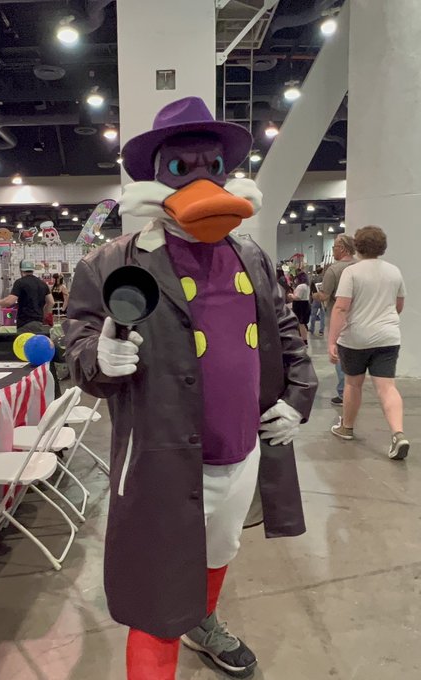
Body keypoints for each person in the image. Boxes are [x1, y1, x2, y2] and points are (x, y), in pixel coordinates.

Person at [64, 96, 318, 680]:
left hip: (243, 450)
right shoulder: (110, 263)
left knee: (220, 552)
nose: (202, 180)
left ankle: (202, 622)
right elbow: (77, 349)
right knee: (156, 597)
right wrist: (99, 357)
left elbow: (285, 330)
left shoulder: (251, 255)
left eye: (214, 166)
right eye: (183, 167)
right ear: (157, 177)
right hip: (162, 459)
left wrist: (296, 399)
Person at [328, 226, 409, 460]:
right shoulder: (394, 271)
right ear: (382, 246)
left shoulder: (352, 273)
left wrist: (332, 341)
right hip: (388, 338)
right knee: (387, 387)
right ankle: (398, 434)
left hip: (356, 339)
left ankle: (347, 428)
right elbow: (399, 305)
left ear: (357, 246)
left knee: (353, 384)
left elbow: (341, 308)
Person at [314, 234, 356, 405]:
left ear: (342, 248)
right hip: (358, 318)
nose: (333, 250)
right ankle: (353, 390)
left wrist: (315, 295)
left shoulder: (333, 270)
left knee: (339, 354)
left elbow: (324, 295)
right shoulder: (359, 267)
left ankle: (343, 393)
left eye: (334, 247)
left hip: (339, 318)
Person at [0, 260, 54, 334]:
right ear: (33, 270)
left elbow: (10, 301)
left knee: (24, 341)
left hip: (24, 323)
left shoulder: (20, 282)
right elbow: (51, 302)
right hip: (38, 323)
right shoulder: (42, 283)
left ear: (21, 270)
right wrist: (44, 314)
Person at [288, 271, 311, 343]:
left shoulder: (301, 286)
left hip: (300, 306)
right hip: (305, 304)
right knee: (303, 323)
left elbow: (297, 297)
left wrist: (291, 295)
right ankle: (304, 339)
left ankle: (304, 340)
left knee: (301, 324)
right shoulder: (307, 286)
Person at [309, 266, 325, 335]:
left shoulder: (313, 279)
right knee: (322, 315)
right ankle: (321, 331)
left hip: (316, 297)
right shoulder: (325, 279)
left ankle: (312, 329)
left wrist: (311, 298)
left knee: (313, 314)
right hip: (323, 298)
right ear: (322, 271)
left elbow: (311, 289)